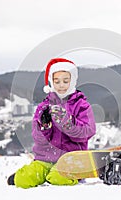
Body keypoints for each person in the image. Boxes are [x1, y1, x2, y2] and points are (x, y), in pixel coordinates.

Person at [7, 58, 96, 188]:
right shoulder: (43, 107)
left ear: (73, 81)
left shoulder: (82, 105)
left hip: (70, 158)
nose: (61, 85)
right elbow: (37, 138)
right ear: (51, 82)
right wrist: (45, 126)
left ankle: (72, 175)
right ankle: (36, 173)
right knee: (23, 180)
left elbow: (88, 131)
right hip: (45, 158)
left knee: (57, 178)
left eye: (66, 81)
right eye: (57, 81)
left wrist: (67, 122)